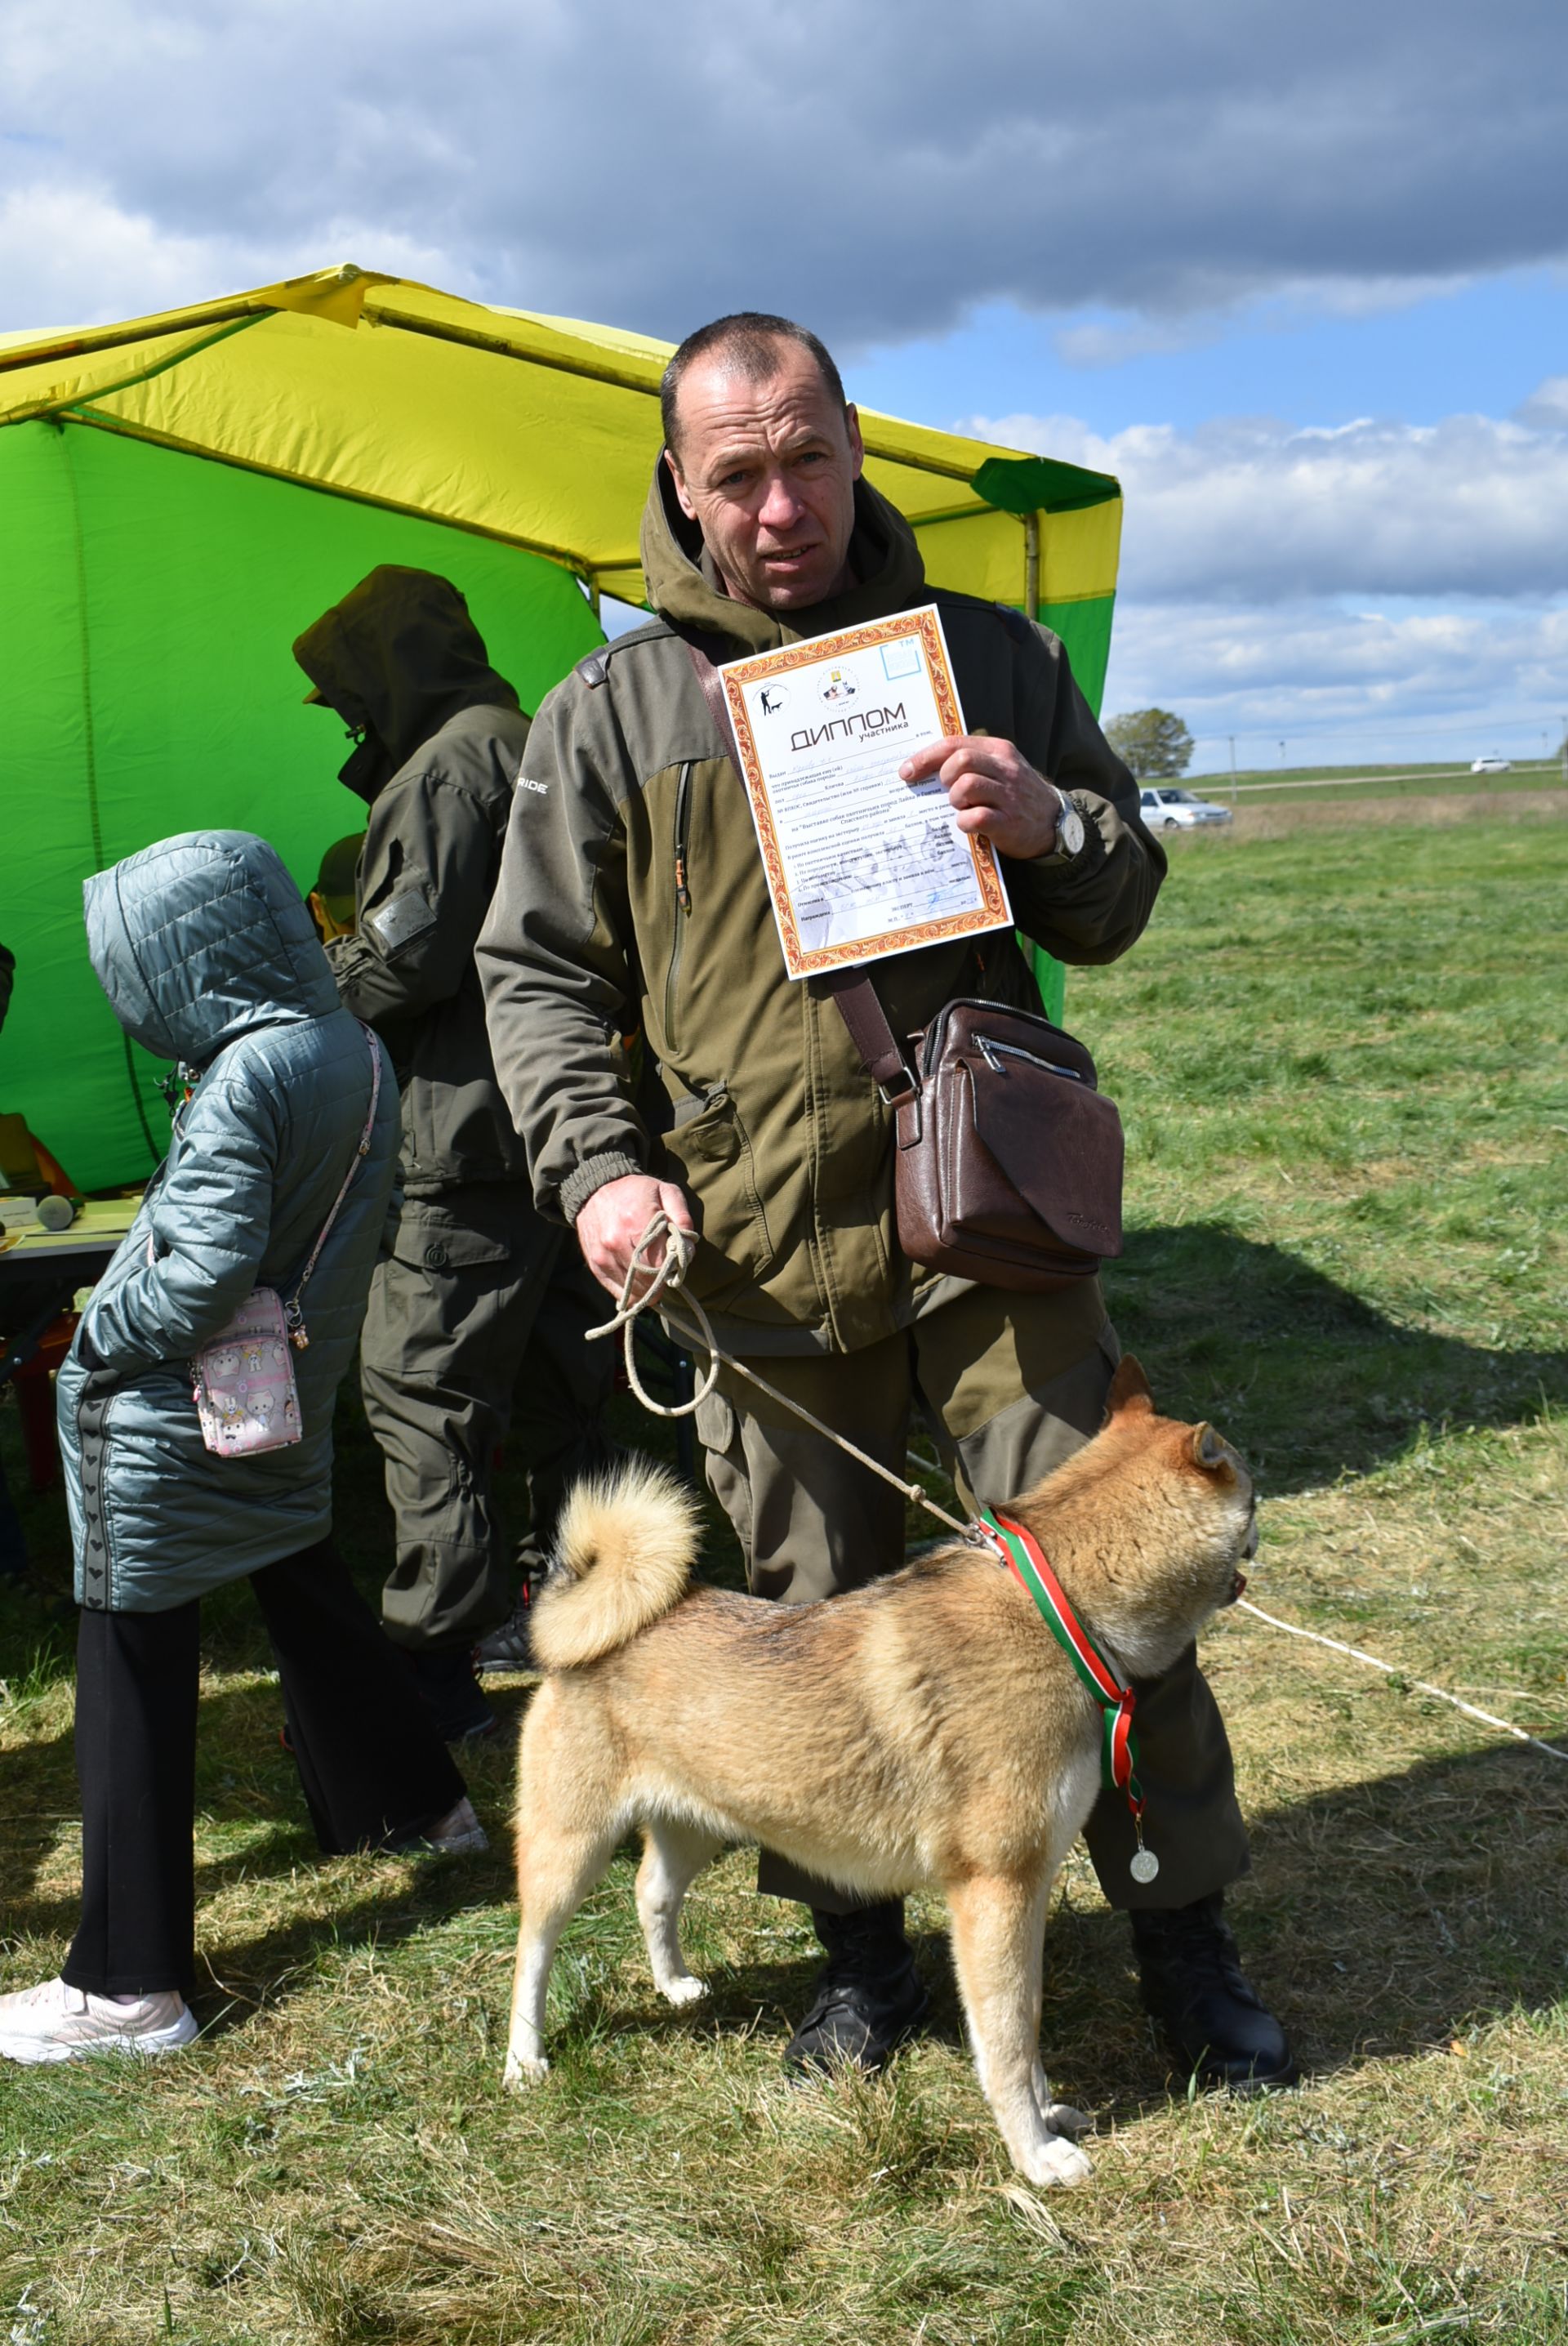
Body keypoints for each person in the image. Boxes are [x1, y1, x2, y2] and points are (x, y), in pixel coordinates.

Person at [476, 314, 1297, 2091]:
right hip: (757, 1252)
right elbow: (533, 973)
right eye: (738, 475)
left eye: (810, 459)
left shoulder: (985, 655)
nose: (781, 504)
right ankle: (865, 1961)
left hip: (986, 1233)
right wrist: (600, 1168)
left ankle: (1184, 1939)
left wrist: (1054, 826)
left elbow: (1118, 890)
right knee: (799, 1620)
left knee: (1121, 1595)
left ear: (855, 444)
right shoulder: (607, 713)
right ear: (681, 491)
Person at [0, 832, 479, 2067]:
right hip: (275, 1396)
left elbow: (204, 1272)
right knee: (305, 1582)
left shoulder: (249, 1073)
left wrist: (96, 1334)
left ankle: (129, 1985)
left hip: (175, 1412)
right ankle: (416, 1807)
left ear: (191, 957)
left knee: (128, 1656)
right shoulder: (341, 1042)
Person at [292, 569, 613, 1739]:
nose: (341, 718)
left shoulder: (442, 770)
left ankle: (434, 1666)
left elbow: (403, 957)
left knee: (421, 1393)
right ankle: (589, 1620)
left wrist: (302, 996)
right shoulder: (527, 737)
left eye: (345, 694)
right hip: (564, 1122)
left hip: (464, 1132)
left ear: (389, 669)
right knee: (558, 1388)